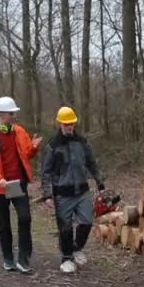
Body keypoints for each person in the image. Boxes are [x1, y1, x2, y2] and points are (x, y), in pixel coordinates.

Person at [0, 97, 43, 274]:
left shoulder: (20, 131)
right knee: (4, 224)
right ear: (1, 114)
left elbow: (26, 155)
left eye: (14, 112)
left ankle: (23, 258)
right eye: (10, 113)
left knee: (25, 218)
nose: (13, 116)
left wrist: (34, 148)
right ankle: (8, 258)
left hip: (18, 184)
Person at [41, 106, 105, 273]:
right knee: (66, 227)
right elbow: (45, 171)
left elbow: (92, 163)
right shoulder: (52, 145)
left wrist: (100, 182)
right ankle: (66, 258)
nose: (69, 127)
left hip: (82, 191)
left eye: (71, 124)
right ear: (60, 124)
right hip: (62, 193)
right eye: (66, 124)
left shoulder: (82, 142)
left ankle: (76, 248)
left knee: (87, 222)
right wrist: (47, 195)